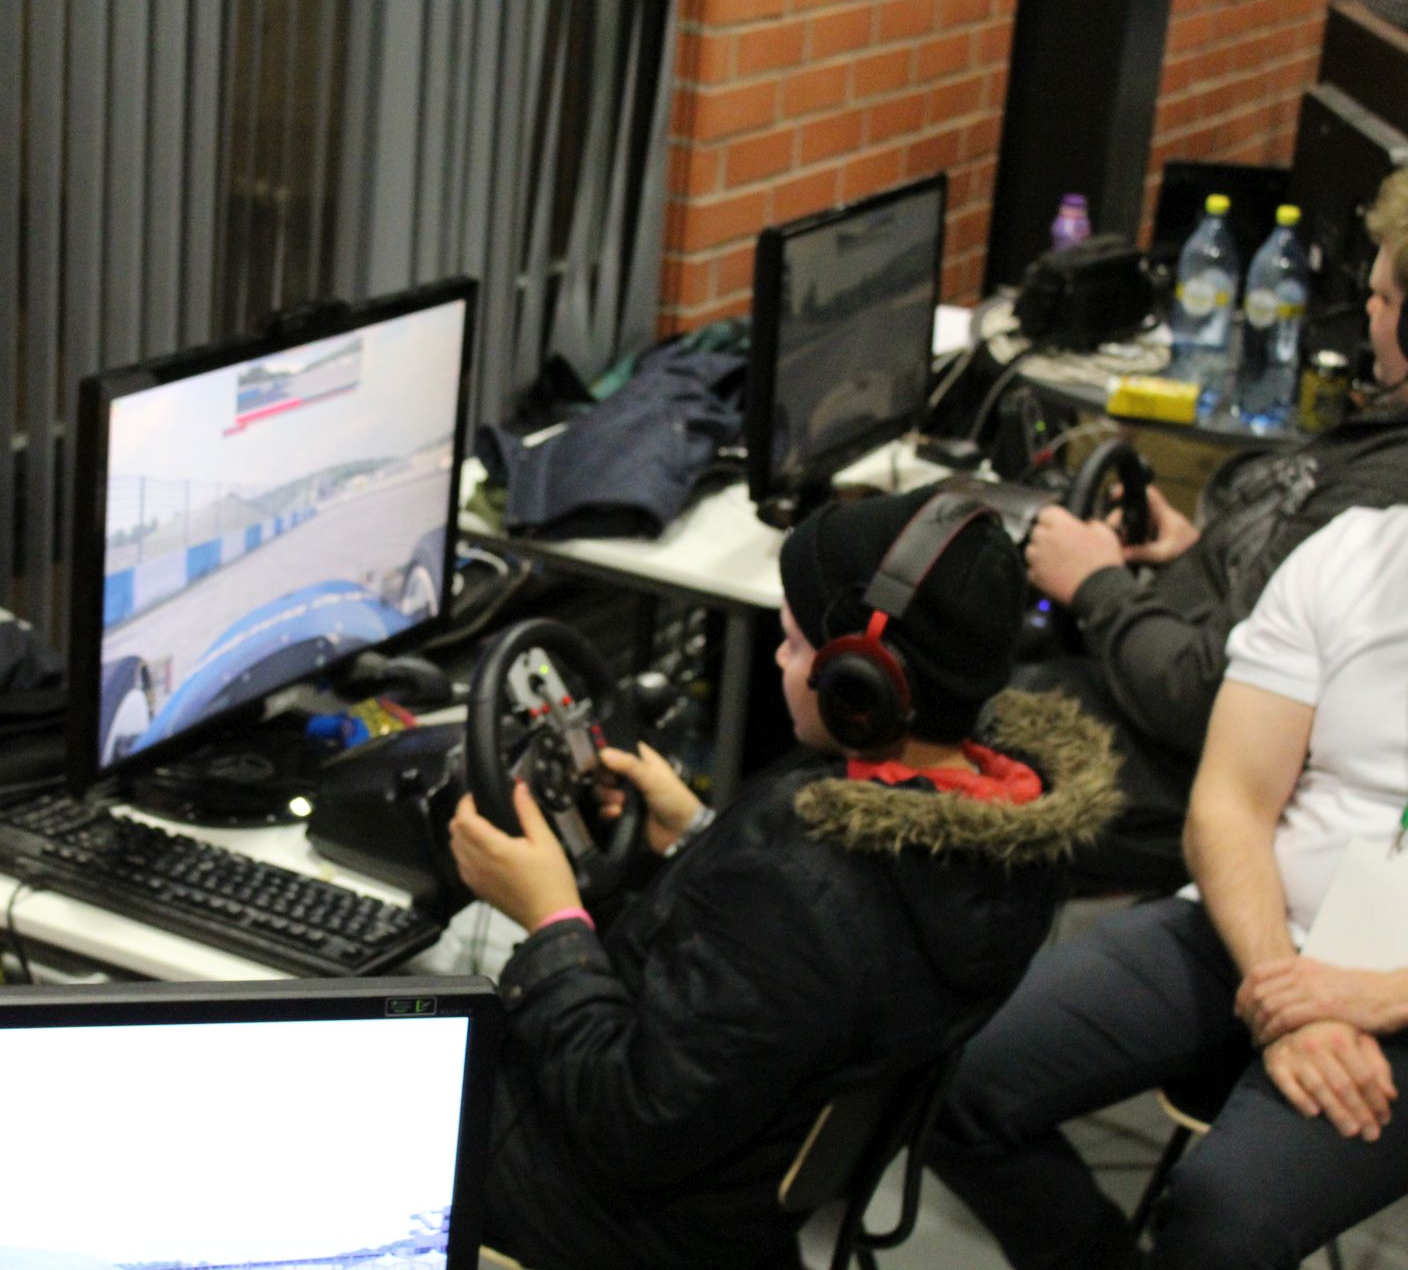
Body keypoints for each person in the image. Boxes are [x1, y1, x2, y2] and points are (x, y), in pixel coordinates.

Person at [450, 486, 1122, 1270]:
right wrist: (695, 837)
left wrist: (551, 923)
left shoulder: (800, 886)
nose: (778, 657)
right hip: (737, 1202)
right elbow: (799, 977)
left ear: (864, 686)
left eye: (797, 645)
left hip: (607, 1216)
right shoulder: (1011, 836)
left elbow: (631, 1121)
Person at [930, 502, 1408, 1269]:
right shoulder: (1353, 550)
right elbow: (1229, 802)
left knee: (1225, 1220)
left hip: (1397, 995)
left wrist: (1383, 996)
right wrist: (1285, 993)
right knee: (949, 1074)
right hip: (1259, 933)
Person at [1016, 167, 1408, 890]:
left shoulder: (1384, 491)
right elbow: (1291, 599)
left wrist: (1097, 586)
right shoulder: (1383, 440)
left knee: (939, 717)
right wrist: (1201, 554)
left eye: (1384, 299)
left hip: (1173, 760)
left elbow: (1204, 696)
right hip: (1155, 679)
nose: (1369, 312)